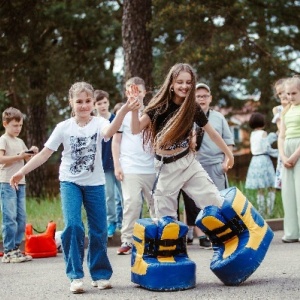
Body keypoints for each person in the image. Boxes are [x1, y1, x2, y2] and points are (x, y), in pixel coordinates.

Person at [9, 82, 136, 294]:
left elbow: (112, 130)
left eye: (88, 101)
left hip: (95, 183)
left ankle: (100, 273)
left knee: (99, 230)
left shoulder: (99, 122)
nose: (84, 106)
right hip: (70, 182)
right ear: (71, 103)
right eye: (79, 102)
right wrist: (22, 171)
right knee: (74, 227)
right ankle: (76, 276)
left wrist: (123, 109)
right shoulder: (63, 127)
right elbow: (44, 154)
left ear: (94, 104)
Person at [130, 63, 234, 223]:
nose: (184, 86)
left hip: (188, 163)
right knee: (164, 218)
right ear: (171, 84)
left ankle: (228, 239)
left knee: (214, 200)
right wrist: (133, 110)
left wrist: (229, 154)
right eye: (180, 82)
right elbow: (136, 129)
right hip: (165, 168)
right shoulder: (160, 106)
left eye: (188, 82)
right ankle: (173, 246)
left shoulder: (192, 107)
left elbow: (213, 133)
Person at [182, 82, 235, 248]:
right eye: (198, 96)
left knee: (218, 199)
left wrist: (226, 161)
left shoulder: (218, 117)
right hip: (195, 164)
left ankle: (220, 232)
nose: (202, 99)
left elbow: (228, 141)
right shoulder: (187, 115)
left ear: (210, 98)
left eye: (205, 96)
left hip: (215, 164)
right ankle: (197, 232)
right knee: (193, 200)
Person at [112, 77, 156, 255]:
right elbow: (116, 141)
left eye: (138, 90)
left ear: (144, 92)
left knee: (156, 204)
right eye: (131, 90)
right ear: (127, 92)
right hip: (129, 167)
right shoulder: (122, 114)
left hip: (151, 167)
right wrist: (117, 165)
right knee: (132, 203)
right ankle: (127, 240)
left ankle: (158, 237)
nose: (135, 94)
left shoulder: (152, 112)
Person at [0, 107, 38, 263]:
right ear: (5, 124)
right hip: (6, 182)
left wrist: (32, 153)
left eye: (20, 125)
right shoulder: (3, 139)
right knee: (10, 217)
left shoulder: (20, 141)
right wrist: (19, 156)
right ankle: (8, 250)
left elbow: (26, 160)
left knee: (21, 217)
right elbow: (1, 159)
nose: (18, 128)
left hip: (20, 183)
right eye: (14, 125)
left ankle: (16, 248)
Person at [94, 90, 124, 238]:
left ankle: (126, 223)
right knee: (109, 196)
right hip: (104, 165)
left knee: (124, 195)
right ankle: (111, 223)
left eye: (104, 102)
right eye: (99, 103)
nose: (102, 105)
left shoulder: (116, 119)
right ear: (94, 106)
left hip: (120, 163)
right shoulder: (95, 123)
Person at [277, 76, 300, 243]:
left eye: (294, 93)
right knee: (288, 194)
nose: (291, 97)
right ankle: (291, 232)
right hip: (287, 152)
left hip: (298, 150)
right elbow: (281, 136)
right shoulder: (285, 111)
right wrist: (284, 156)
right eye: (288, 93)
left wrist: (294, 156)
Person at [245, 112, 278, 217]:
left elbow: (263, 143)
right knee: (271, 187)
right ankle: (270, 211)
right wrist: (278, 153)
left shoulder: (252, 134)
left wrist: (274, 135)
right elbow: (266, 147)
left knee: (260, 189)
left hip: (255, 160)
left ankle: (261, 212)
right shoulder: (263, 133)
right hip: (264, 160)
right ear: (263, 123)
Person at [272, 78, 289, 190]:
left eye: (283, 91)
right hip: (285, 145)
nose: (281, 95)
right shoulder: (277, 110)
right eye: (279, 94)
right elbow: (282, 129)